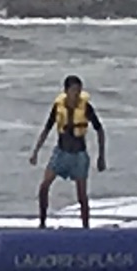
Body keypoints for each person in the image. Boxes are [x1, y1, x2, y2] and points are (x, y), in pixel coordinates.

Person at [26, 74, 106, 227]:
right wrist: (35, 152)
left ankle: (85, 228)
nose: (76, 94)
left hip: (79, 156)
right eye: (74, 90)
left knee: (82, 195)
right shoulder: (58, 107)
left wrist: (101, 157)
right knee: (44, 186)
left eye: (79, 90)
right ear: (66, 91)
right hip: (61, 153)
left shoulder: (86, 108)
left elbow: (100, 130)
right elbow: (47, 129)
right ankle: (42, 223)